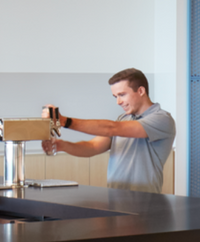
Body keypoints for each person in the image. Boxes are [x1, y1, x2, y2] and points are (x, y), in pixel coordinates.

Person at [40, 69, 176, 194]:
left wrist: (64, 121)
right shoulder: (123, 119)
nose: (118, 102)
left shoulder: (161, 119)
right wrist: (61, 145)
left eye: (122, 95)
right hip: (115, 198)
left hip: (145, 202)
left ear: (141, 91)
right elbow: (92, 147)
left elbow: (112, 128)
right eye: (115, 96)